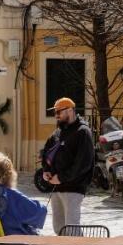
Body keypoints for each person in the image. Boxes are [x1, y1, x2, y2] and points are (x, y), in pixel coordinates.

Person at [39, 97, 95, 231]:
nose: (56, 116)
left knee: (71, 227)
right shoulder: (58, 132)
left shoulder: (83, 132)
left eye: (59, 112)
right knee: (58, 227)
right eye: (55, 113)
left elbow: (83, 163)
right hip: (57, 187)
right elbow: (46, 153)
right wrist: (46, 170)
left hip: (74, 187)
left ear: (70, 110)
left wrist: (62, 177)